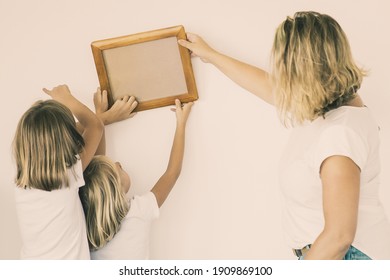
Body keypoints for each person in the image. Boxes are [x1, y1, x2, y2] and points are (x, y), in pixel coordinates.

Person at [178, 11, 390, 260]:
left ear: (303, 70)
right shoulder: (335, 108)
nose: (280, 74)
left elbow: (338, 238)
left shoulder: (338, 134)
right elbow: (270, 88)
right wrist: (212, 56)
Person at [79, 91, 193, 259]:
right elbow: (172, 172)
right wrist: (181, 123)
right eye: (117, 168)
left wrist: (99, 117)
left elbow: (98, 166)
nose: (118, 163)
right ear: (115, 188)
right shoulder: (137, 211)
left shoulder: (88, 224)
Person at [13, 84, 104, 259]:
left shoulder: (20, 182)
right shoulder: (67, 175)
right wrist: (65, 98)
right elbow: (94, 127)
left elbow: (88, 127)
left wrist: (102, 117)